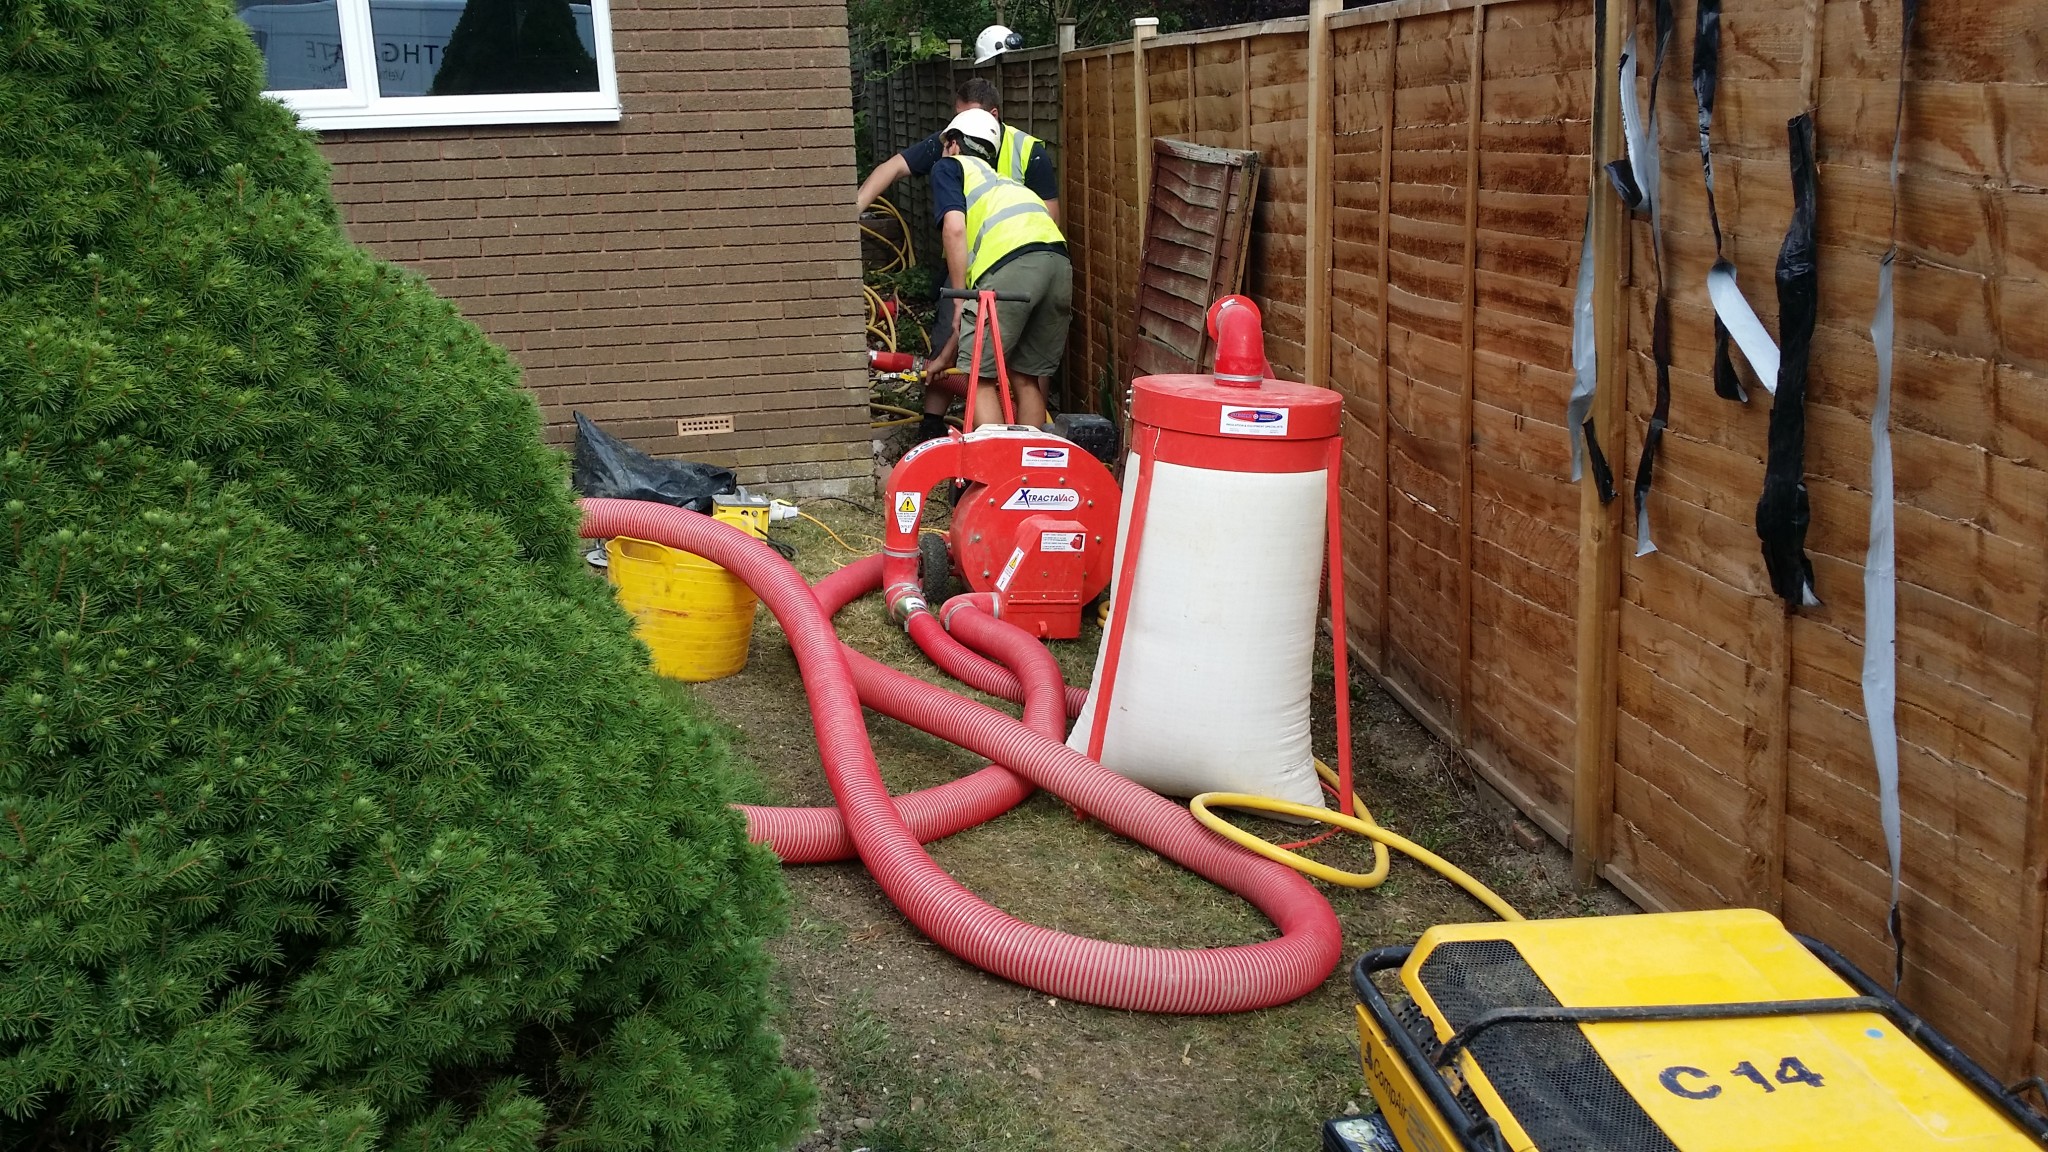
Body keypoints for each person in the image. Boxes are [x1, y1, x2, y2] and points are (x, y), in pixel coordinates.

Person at [924, 108, 1071, 433]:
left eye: (947, 144)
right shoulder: (1005, 184)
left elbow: (954, 229)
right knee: (1024, 376)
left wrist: (960, 298)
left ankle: (997, 472)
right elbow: (976, 330)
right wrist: (947, 357)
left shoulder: (950, 167)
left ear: (955, 143)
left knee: (980, 378)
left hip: (1011, 265)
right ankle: (1029, 473)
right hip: (1057, 266)